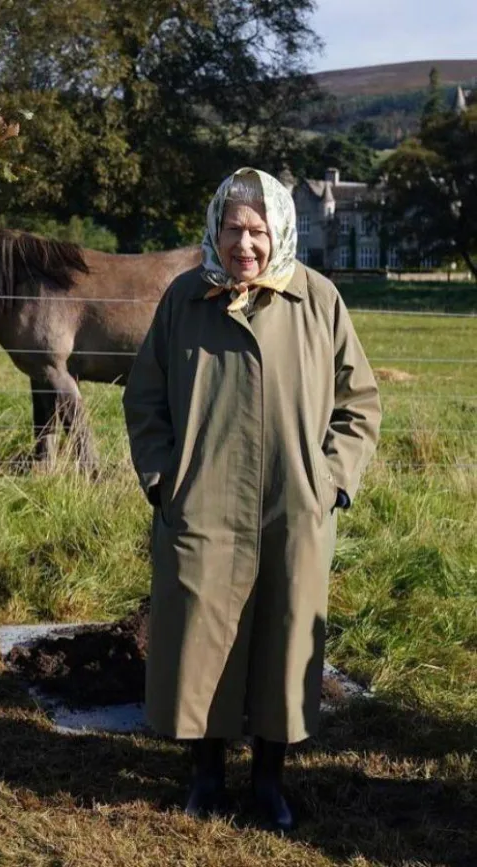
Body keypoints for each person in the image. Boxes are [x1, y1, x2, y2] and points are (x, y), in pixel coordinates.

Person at [122, 167, 381, 832]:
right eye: (234, 228)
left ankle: (269, 781)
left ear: (280, 232)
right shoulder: (186, 298)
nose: (245, 243)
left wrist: (330, 481)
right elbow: (145, 398)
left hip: (292, 504)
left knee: (284, 638)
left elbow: (359, 404)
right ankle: (205, 776)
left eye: (258, 230)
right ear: (216, 229)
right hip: (201, 501)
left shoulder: (317, 300)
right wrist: (161, 477)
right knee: (200, 638)